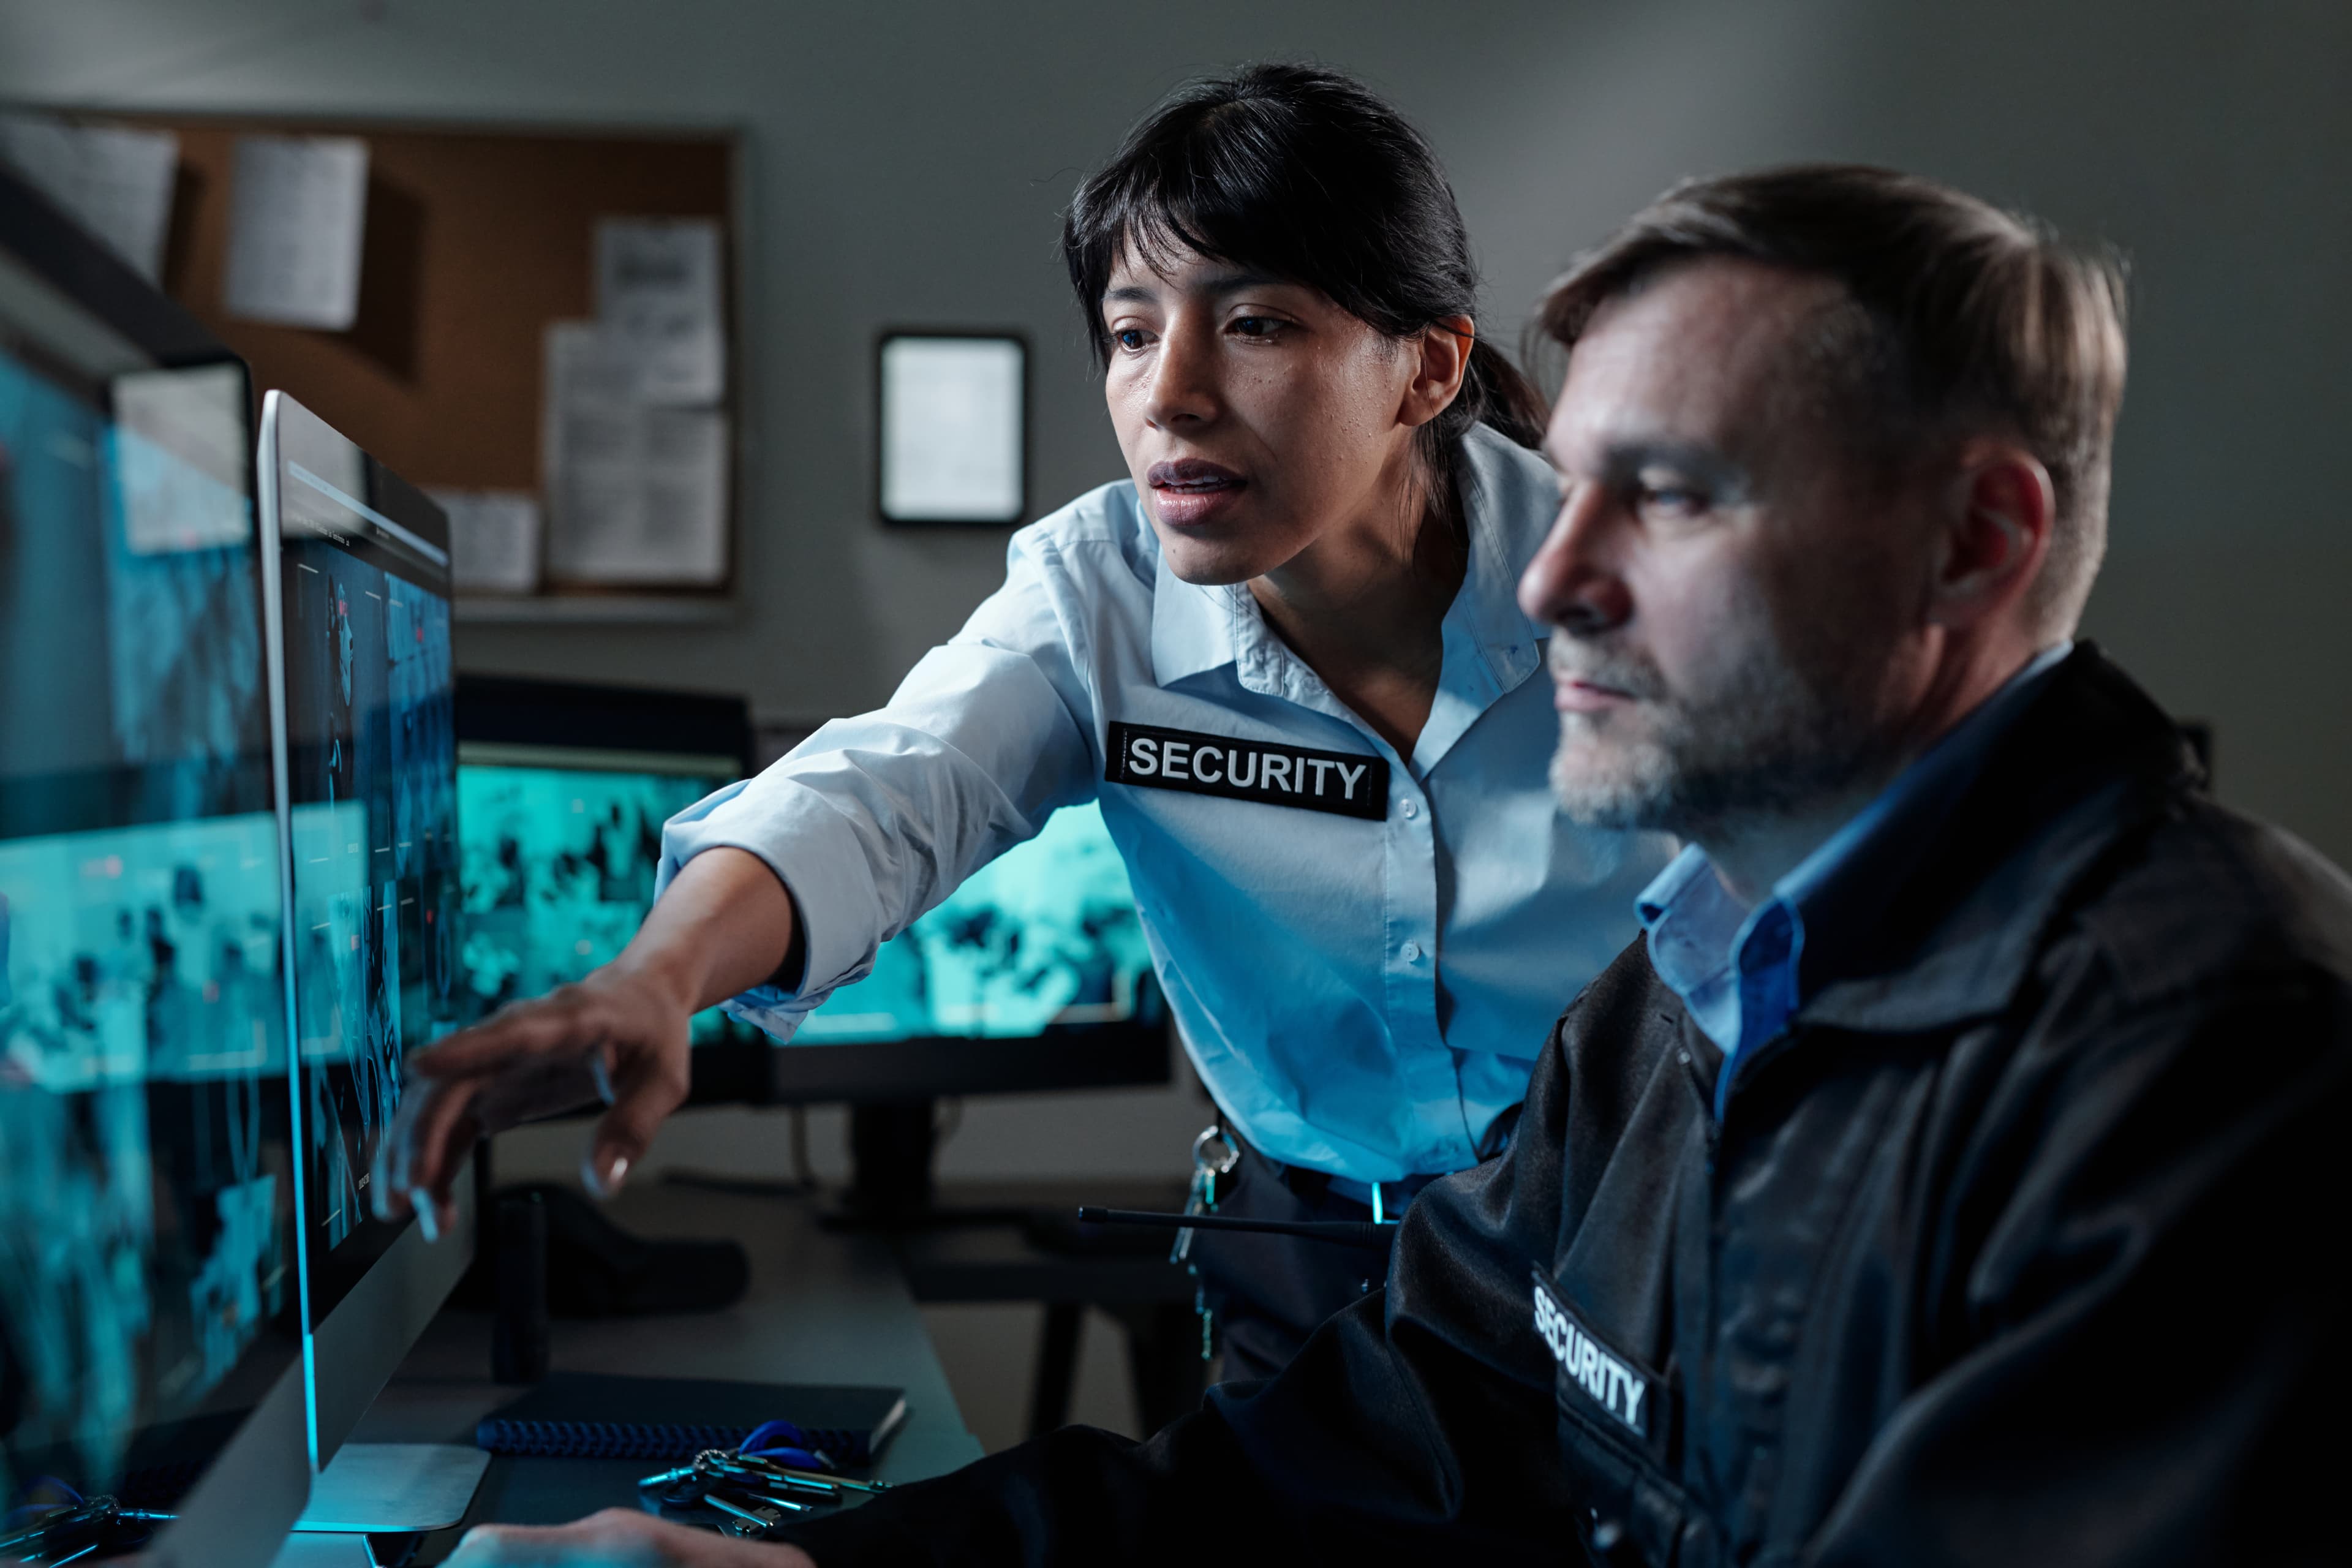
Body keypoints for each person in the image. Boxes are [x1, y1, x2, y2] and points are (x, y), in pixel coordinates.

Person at [446, 164, 2351, 1566]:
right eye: (1131, 330)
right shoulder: (1675, 1008)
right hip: (1371, 1251)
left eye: (1669, 495)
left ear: (1975, 544)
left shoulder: (2207, 1062)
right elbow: (1386, 1440)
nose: (1552, 574)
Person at [380, 64, 1670, 1382]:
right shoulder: (1097, 595)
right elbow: (886, 792)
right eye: (1128, 331)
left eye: (1258, 324)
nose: (1169, 393)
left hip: (1634, 1257)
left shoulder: (1643, 585)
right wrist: (655, 976)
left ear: (1427, 368)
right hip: (1311, 1269)